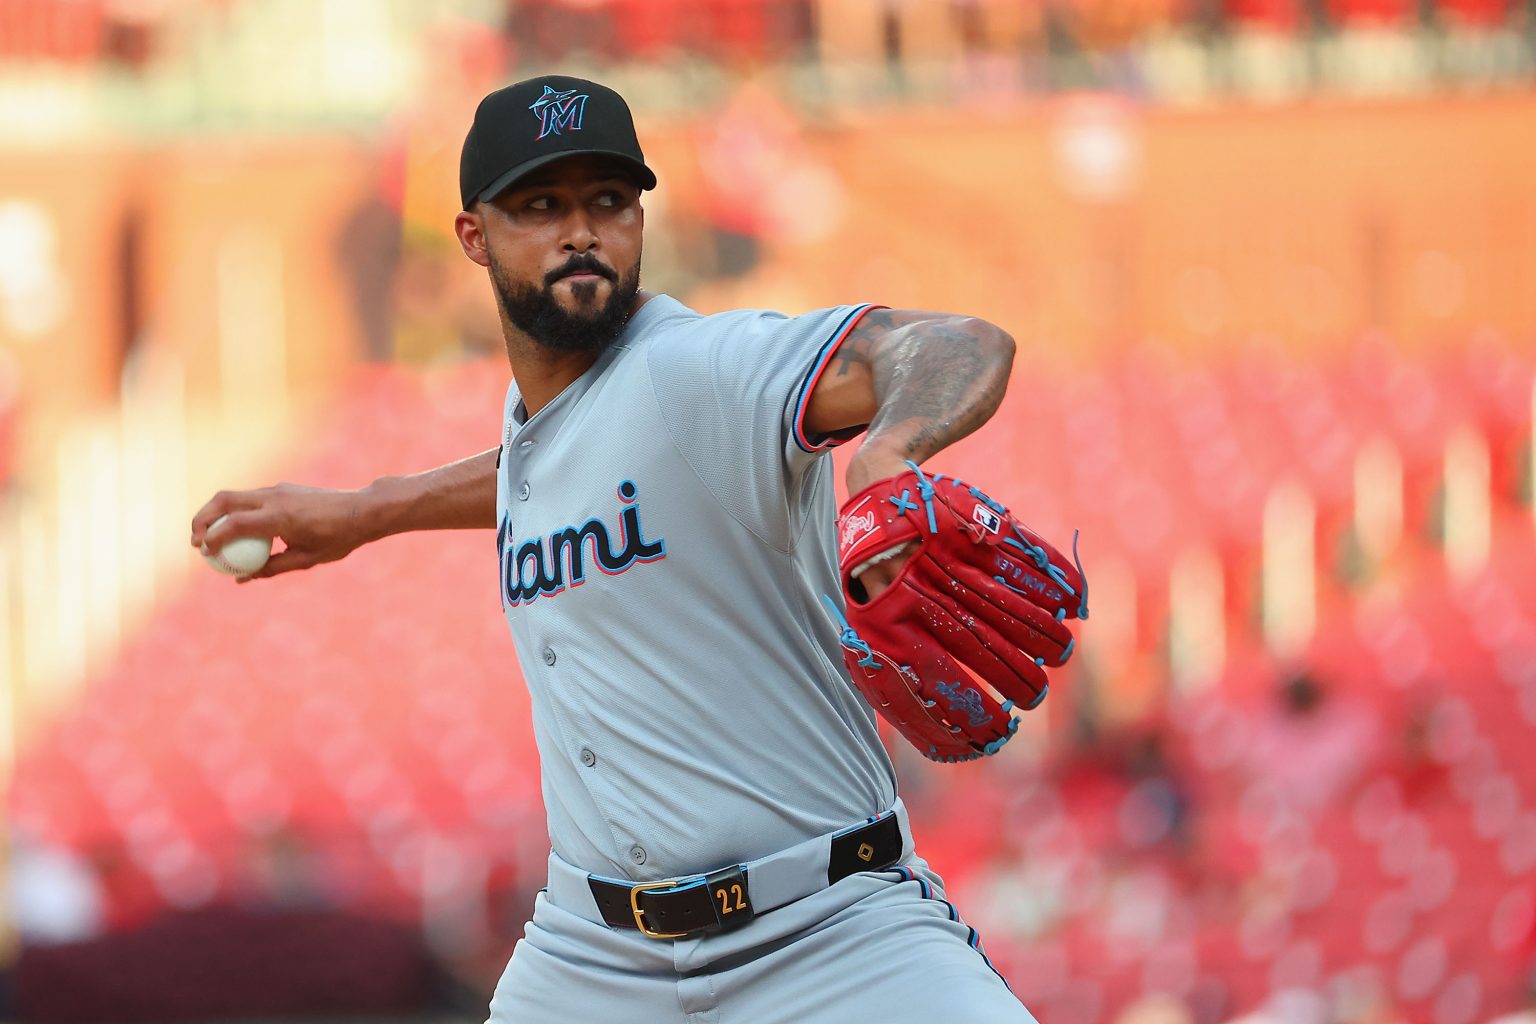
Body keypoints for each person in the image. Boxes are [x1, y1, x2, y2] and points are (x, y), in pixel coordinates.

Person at [192, 75, 1043, 1022]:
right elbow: (547, 467)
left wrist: (885, 456)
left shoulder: (703, 371)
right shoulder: (552, 420)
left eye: (607, 201)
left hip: (828, 933)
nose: (580, 231)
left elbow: (956, 342)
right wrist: (370, 510)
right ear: (474, 236)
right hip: (595, 958)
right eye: (540, 206)